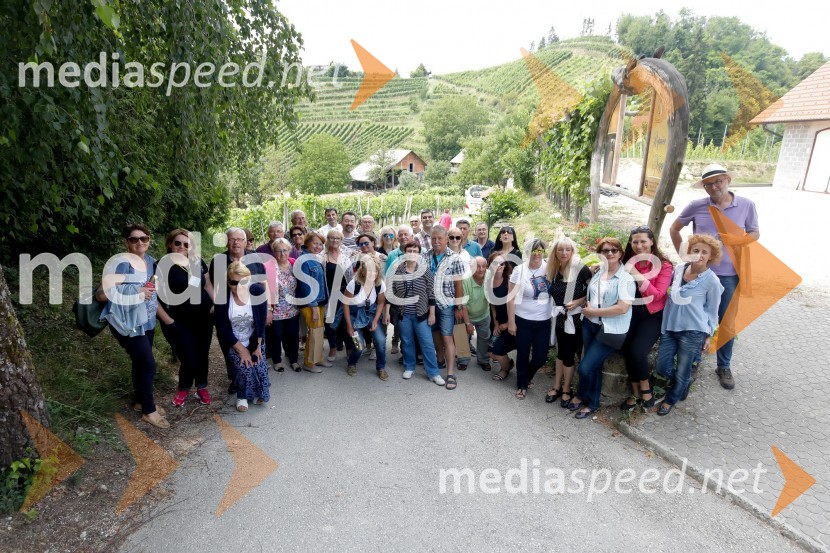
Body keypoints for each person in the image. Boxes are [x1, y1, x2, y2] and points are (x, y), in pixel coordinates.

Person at [669, 163, 760, 390]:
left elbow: (755, 233)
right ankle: (693, 364)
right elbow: (674, 229)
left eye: (718, 181)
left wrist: (737, 240)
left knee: (727, 322)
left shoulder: (746, 205)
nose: (713, 186)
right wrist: (685, 256)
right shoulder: (697, 206)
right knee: (697, 322)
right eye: (708, 184)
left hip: (730, 275)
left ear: (728, 180)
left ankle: (724, 365)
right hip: (700, 275)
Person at [99, 224, 168, 428]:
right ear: (126, 242)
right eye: (134, 239)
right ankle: (149, 410)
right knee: (148, 364)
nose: (140, 242)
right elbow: (101, 295)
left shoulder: (150, 261)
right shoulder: (121, 264)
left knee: (140, 362)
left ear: (149, 239)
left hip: (146, 320)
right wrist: (135, 293)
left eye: (144, 238)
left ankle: (140, 401)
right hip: (126, 322)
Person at [655, 235, 724, 416]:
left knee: (683, 369)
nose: (699, 255)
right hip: (670, 326)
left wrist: (708, 335)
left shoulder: (712, 281)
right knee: (662, 366)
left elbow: (713, 310)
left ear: (711, 256)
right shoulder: (679, 269)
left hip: (693, 331)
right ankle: (683, 383)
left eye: (704, 252)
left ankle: (671, 399)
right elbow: (662, 284)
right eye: (695, 250)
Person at [568, 238, 635, 419]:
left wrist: (594, 311)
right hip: (590, 325)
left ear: (620, 253)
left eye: (614, 250)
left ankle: (582, 395)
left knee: (585, 367)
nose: (610, 254)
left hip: (611, 329)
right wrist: (581, 303)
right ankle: (593, 403)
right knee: (594, 366)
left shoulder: (626, 279)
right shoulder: (598, 272)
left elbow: (623, 307)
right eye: (605, 251)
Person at [156, 228, 214, 408]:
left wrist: (215, 304)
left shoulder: (197, 262)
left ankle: (202, 387)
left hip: (203, 318)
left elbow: (207, 283)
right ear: (170, 244)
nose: (182, 247)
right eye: (177, 243)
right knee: (188, 356)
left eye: (186, 244)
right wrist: (168, 321)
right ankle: (184, 388)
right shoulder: (161, 265)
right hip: (178, 321)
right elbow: (153, 297)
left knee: (202, 352)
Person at [619, 225, 673, 411]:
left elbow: (656, 295)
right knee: (626, 349)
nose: (639, 245)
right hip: (631, 312)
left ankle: (646, 388)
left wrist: (635, 273)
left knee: (638, 352)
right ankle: (635, 392)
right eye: (635, 241)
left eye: (643, 241)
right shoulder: (626, 261)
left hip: (652, 315)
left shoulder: (664, 265)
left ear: (652, 242)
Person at [207, 227, 267, 394]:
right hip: (227, 311)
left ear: (245, 241)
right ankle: (235, 378)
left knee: (255, 343)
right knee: (229, 346)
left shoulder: (254, 259)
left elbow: (263, 283)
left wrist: (268, 308)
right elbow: (211, 284)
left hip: (251, 311)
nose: (236, 242)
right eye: (232, 239)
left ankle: (256, 376)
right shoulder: (218, 260)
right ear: (227, 241)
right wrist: (216, 304)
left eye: (239, 239)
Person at [387, 240, 444, 385]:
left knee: (427, 343)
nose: (412, 253)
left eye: (415, 251)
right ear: (404, 253)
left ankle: (433, 372)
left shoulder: (424, 270)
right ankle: (409, 366)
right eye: (409, 251)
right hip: (403, 314)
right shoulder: (397, 269)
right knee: (407, 342)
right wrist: (387, 312)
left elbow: (431, 293)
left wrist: (432, 314)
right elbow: (390, 292)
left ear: (419, 254)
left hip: (421, 315)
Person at [215, 262, 270, 412]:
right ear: (228, 282)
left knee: (259, 368)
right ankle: (242, 396)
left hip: (254, 338)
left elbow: (261, 321)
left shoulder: (257, 291)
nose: (238, 286)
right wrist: (241, 350)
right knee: (243, 369)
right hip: (234, 340)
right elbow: (223, 328)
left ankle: (259, 393)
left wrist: (257, 345)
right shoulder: (222, 297)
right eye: (234, 282)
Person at [544, 236, 592, 408]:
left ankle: (566, 389)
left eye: (567, 249)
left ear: (572, 251)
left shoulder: (581, 270)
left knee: (568, 355)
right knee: (560, 352)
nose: (564, 253)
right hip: (559, 318)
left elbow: (592, 292)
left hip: (575, 320)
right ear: (555, 252)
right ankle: (556, 386)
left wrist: (578, 302)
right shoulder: (554, 271)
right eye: (560, 249)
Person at [424, 225, 467, 390]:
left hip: (447, 304)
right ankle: (440, 359)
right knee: (435, 333)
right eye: (433, 238)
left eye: (439, 239)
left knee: (447, 336)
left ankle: (450, 373)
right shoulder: (425, 256)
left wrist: (459, 305)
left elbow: (459, 284)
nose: (436, 242)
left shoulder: (454, 258)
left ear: (446, 240)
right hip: (430, 304)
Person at [507, 238, 551, 400]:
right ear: (528, 252)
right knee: (523, 354)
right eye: (534, 250)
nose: (537, 254)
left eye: (540, 250)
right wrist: (511, 322)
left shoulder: (549, 267)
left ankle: (526, 377)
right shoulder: (520, 270)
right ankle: (521, 385)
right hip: (523, 319)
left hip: (544, 320)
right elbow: (510, 298)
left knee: (540, 357)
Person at [343, 256, 388, 379]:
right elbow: (345, 304)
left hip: (370, 314)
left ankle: (381, 367)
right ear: (363, 271)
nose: (372, 274)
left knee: (381, 341)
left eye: (375, 271)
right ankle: (352, 363)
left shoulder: (380, 284)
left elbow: (380, 303)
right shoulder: (354, 283)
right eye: (369, 270)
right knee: (359, 345)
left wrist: (375, 320)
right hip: (354, 314)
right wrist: (349, 325)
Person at [264, 238, 301, 373]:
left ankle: (293, 360)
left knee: (292, 334)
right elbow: (266, 288)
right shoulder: (269, 266)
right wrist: (268, 310)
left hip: (293, 308)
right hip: (276, 308)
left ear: (289, 251)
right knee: (277, 335)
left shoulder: (294, 263)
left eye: (284, 250)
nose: (282, 254)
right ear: (274, 252)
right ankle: (277, 360)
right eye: (278, 251)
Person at [295, 231, 329, 372]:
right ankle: (309, 363)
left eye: (320, 244)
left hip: (319, 301)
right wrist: (314, 307)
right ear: (307, 243)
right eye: (315, 243)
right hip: (311, 303)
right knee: (314, 332)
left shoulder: (314, 257)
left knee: (319, 331)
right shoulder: (303, 260)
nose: (318, 246)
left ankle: (318, 358)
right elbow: (306, 287)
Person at [322, 229, 353, 362]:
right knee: (329, 323)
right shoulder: (322, 257)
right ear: (327, 240)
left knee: (347, 321)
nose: (335, 240)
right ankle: (333, 347)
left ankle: (350, 348)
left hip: (345, 293)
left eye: (337, 238)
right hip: (329, 294)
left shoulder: (346, 256)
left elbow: (351, 277)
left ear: (341, 241)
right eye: (332, 238)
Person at [458, 257, 492, 371]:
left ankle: (483, 360)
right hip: (467, 312)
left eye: (484, 266)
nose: (481, 269)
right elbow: (462, 305)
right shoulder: (465, 279)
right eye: (477, 266)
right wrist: (468, 323)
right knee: (461, 334)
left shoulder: (489, 276)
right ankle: (463, 360)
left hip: (483, 313)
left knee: (484, 337)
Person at [489, 251, 516, 381]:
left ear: (505, 265)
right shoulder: (488, 281)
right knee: (491, 354)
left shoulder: (510, 280)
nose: (499, 265)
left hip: (512, 322)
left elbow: (518, 304)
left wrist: (509, 322)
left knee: (498, 351)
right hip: (498, 322)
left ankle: (505, 369)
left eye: (502, 263)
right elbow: (492, 304)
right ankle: (508, 363)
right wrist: (495, 323)